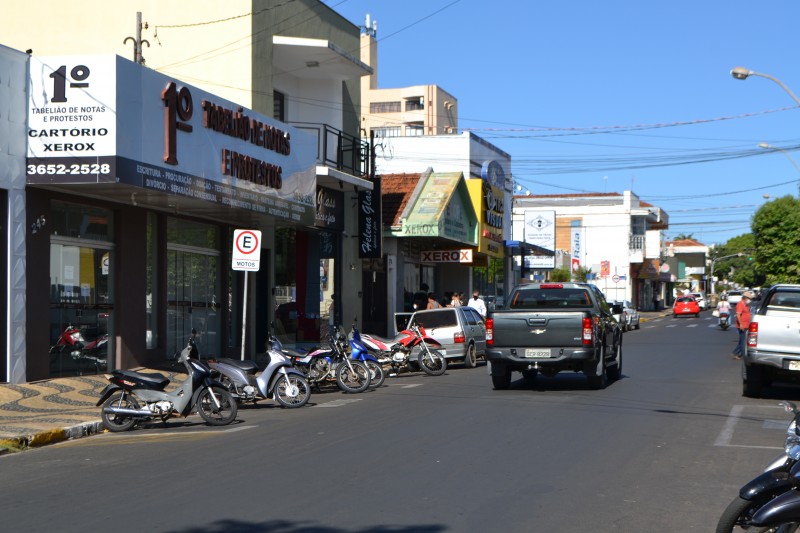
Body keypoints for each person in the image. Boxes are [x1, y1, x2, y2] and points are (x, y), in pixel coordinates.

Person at [732, 290, 755, 359]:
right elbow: (738, 315)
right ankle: (740, 354)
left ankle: (736, 352)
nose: (750, 300)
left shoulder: (746, 305)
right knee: (743, 341)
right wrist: (741, 324)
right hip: (742, 325)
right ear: (745, 298)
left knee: (742, 340)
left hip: (746, 325)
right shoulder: (740, 304)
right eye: (749, 299)